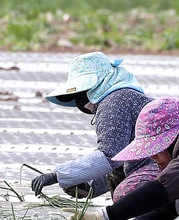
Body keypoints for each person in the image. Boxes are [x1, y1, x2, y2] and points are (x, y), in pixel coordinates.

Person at [31, 52, 156, 199]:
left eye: (80, 93)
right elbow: (119, 157)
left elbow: (109, 155)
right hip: (157, 165)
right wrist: (88, 185)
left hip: (164, 170)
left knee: (126, 194)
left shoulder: (114, 102)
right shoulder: (122, 96)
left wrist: (57, 175)